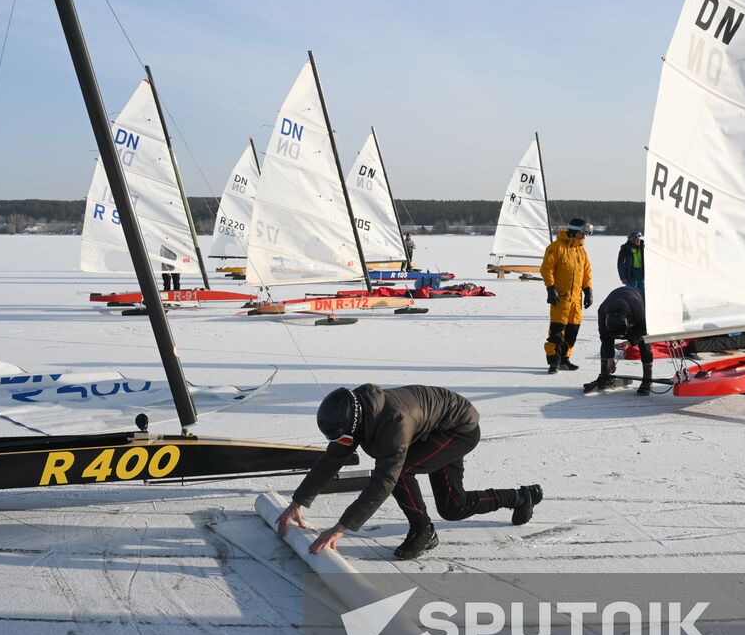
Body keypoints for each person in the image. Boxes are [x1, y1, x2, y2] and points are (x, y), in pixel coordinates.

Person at [275, 384, 544, 560]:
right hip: (430, 428)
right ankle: (521, 497)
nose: (345, 441)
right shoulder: (356, 414)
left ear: (355, 424)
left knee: (399, 472)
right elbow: (331, 459)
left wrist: (342, 527)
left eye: (347, 436)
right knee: (453, 507)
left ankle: (422, 530)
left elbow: (385, 480)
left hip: (457, 430)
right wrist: (297, 502)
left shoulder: (393, 423)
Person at [540, 217, 594, 373]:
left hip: (576, 300)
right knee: (557, 332)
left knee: (572, 331)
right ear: (573, 232)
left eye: (585, 234)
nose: (584, 237)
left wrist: (588, 290)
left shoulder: (581, 251)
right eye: (581, 234)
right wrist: (551, 288)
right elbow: (546, 269)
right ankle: (554, 361)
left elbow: (586, 272)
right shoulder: (556, 247)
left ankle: (564, 359)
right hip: (561, 298)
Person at [585, 286, 654, 394]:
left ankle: (647, 380)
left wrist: (630, 342)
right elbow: (605, 338)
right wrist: (609, 358)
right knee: (606, 341)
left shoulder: (637, 308)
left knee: (644, 342)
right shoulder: (602, 311)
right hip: (620, 301)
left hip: (637, 300)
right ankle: (605, 376)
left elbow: (643, 330)